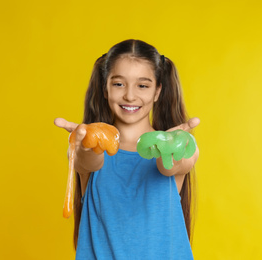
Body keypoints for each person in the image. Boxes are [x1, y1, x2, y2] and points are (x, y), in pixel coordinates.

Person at [54, 39, 200, 259]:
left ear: (157, 91)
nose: (130, 96)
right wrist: (85, 144)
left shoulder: (180, 144)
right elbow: (89, 161)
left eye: (142, 85)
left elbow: (169, 167)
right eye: (118, 84)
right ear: (105, 88)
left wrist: (170, 147)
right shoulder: (87, 147)